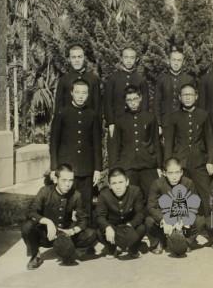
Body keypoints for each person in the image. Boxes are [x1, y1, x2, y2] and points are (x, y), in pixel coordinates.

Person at [21, 163, 97, 269]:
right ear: (56, 180)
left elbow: (83, 219)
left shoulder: (76, 195)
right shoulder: (45, 191)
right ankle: (36, 255)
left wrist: (73, 231)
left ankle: (69, 249)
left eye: (71, 180)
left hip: (64, 233)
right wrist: (47, 222)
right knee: (27, 227)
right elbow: (31, 211)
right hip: (46, 234)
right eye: (64, 180)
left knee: (91, 234)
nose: (68, 184)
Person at [49, 78, 101, 220]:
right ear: (71, 93)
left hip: (87, 167)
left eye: (84, 93)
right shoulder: (62, 113)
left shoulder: (92, 115)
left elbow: (97, 143)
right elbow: (54, 142)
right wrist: (54, 167)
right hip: (67, 167)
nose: (80, 96)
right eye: (77, 92)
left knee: (85, 203)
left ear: (88, 94)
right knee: (65, 202)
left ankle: (86, 234)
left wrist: (97, 168)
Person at [163, 83, 213, 215]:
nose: (188, 97)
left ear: (196, 97)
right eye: (185, 95)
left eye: (190, 94)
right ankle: (182, 229)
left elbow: (209, 139)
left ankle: (212, 228)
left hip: (200, 162)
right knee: (180, 195)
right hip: (181, 163)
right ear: (180, 97)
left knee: (207, 195)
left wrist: (210, 160)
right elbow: (168, 143)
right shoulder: (174, 117)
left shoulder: (203, 115)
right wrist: (168, 165)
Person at [145, 158, 204, 257]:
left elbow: (194, 204)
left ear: (181, 172)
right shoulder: (157, 184)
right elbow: (151, 207)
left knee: (200, 220)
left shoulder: (188, 183)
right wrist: (163, 219)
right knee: (149, 221)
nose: (174, 177)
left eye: (177, 172)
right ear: (164, 173)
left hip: (182, 219)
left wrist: (183, 218)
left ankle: (186, 242)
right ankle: (158, 243)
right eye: (170, 173)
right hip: (165, 221)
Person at [111, 85, 162, 200]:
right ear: (125, 101)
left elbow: (156, 143)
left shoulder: (150, 117)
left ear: (140, 98)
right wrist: (115, 168)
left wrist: (158, 165)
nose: (133, 103)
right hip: (128, 165)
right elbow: (115, 146)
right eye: (129, 100)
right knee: (130, 198)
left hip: (148, 164)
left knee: (152, 196)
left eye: (135, 99)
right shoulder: (120, 120)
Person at [95, 168, 146, 259]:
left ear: (127, 182)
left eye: (121, 182)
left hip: (129, 225)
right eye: (114, 183)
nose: (118, 187)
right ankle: (112, 248)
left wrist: (130, 225)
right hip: (113, 227)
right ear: (109, 185)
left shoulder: (135, 191)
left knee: (141, 228)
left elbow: (140, 213)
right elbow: (100, 216)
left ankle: (133, 249)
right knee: (99, 231)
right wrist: (107, 227)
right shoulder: (104, 195)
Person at [104, 46, 150, 138]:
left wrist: (143, 121)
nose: (129, 60)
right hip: (117, 121)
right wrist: (111, 122)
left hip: (135, 122)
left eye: (132, 58)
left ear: (136, 59)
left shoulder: (141, 80)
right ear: (121, 58)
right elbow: (107, 102)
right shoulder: (113, 78)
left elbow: (145, 103)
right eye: (126, 57)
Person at [54, 44, 102, 118]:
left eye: (79, 57)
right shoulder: (64, 80)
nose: (77, 60)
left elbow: (97, 107)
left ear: (84, 58)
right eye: (73, 57)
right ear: (69, 59)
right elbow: (59, 108)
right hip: (69, 124)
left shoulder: (93, 79)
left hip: (88, 123)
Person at [154, 48, 195, 132]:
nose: (176, 63)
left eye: (179, 60)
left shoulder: (189, 79)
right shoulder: (161, 79)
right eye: (174, 60)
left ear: (183, 62)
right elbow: (156, 103)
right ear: (169, 61)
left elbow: (193, 104)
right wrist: (158, 124)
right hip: (166, 122)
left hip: (184, 122)